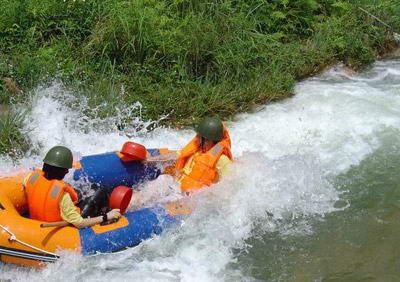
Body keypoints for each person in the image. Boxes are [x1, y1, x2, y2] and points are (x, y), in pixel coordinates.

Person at [128, 117, 233, 209]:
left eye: (201, 137)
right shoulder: (197, 149)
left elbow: (229, 186)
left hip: (188, 197)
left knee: (157, 204)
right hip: (174, 184)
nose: (197, 139)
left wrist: (201, 195)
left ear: (210, 140)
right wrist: (150, 160)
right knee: (162, 180)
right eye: (198, 136)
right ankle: (128, 204)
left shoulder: (221, 160)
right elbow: (175, 155)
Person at [23, 146, 121, 229]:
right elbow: (80, 223)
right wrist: (106, 217)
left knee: (91, 188)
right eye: (65, 170)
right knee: (101, 192)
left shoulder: (30, 178)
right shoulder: (62, 196)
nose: (66, 172)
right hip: (67, 222)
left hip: (38, 217)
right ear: (60, 171)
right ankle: (108, 216)